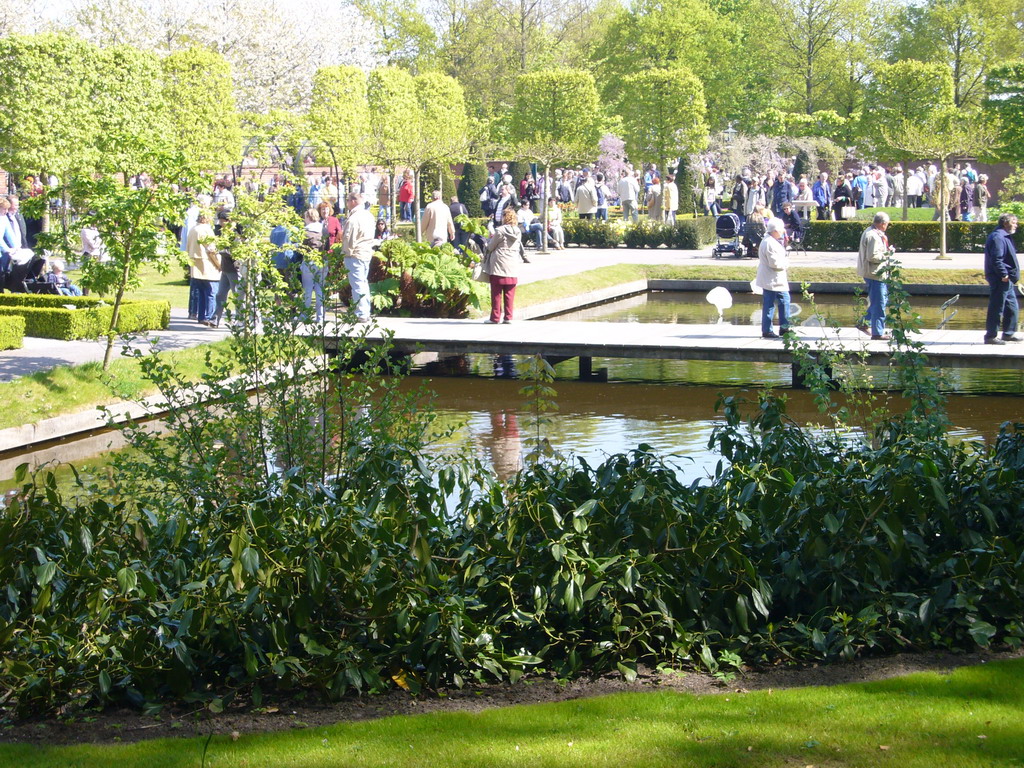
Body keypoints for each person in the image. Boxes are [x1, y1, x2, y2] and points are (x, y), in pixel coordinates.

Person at [982, 213, 1021, 345]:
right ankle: (991, 336)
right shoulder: (998, 237)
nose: (1016, 225)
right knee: (997, 307)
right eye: (1014, 222)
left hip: (1007, 279)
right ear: (1005, 223)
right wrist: (1003, 274)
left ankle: (1008, 334)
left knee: (1012, 307)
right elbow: (996, 259)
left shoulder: (1004, 236)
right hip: (1000, 279)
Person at [857, 212, 894, 341]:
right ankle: (877, 333)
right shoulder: (872, 236)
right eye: (887, 224)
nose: (887, 227)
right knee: (879, 303)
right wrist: (887, 255)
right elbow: (872, 256)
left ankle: (863, 323)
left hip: (874, 273)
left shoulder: (872, 231)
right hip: (874, 274)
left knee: (877, 301)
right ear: (882, 224)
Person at [483, 208, 523, 324]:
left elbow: (491, 247)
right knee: (510, 293)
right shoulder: (518, 231)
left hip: (499, 264)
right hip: (512, 264)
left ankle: (495, 318)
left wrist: (487, 243)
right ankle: (508, 317)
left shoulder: (500, 231)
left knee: (496, 293)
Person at [342, 191, 375, 323]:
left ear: (353, 201)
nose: (347, 203)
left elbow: (349, 238)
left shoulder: (355, 218)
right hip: (366, 252)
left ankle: (361, 313)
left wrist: (345, 252)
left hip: (355, 253)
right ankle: (365, 311)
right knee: (363, 283)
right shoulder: (368, 215)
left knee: (357, 284)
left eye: (348, 200)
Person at [756, 218, 790, 339]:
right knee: (783, 301)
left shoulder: (769, 240)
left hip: (772, 279)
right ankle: (782, 328)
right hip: (773, 280)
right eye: (781, 229)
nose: (783, 231)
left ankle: (774, 329)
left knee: (771, 303)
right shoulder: (770, 243)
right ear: (775, 230)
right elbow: (774, 263)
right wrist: (786, 263)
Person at [187, 212, 221, 327]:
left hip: (195, 264)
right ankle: (209, 316)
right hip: (207, 264)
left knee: (201, 292)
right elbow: (211, 249)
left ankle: (201, 316)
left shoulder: (193, 229)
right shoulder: (206, 230)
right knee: (212, 292)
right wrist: (219, 264)